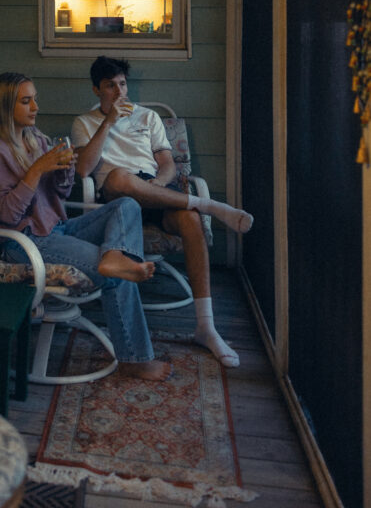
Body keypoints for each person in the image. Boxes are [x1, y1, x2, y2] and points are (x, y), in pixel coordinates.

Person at [0, 71, 172, 382]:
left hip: (58, 229)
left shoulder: (36, 138)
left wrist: (64, 172)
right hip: (24, 242)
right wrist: (37, 170)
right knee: (119, 271)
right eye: (25, 101)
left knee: (126, 206)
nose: (35, 107)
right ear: (4, 107)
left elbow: (60, 195)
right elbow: (6, 214)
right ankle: (135, 359)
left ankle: (114, 257)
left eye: (34, 99)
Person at [71, 56, 254, 368]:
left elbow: (168, 163)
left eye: (122, 84)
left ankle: (206, 327)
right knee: (119, 177)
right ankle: (209, 205)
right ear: (96, 90)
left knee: (190, 219)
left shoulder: (149, 117)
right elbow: (84, 170)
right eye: (110, 86)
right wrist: (108, 122)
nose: (119, 92)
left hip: (151, 188)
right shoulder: (83, 123)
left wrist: (158, 184)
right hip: (115, 201)